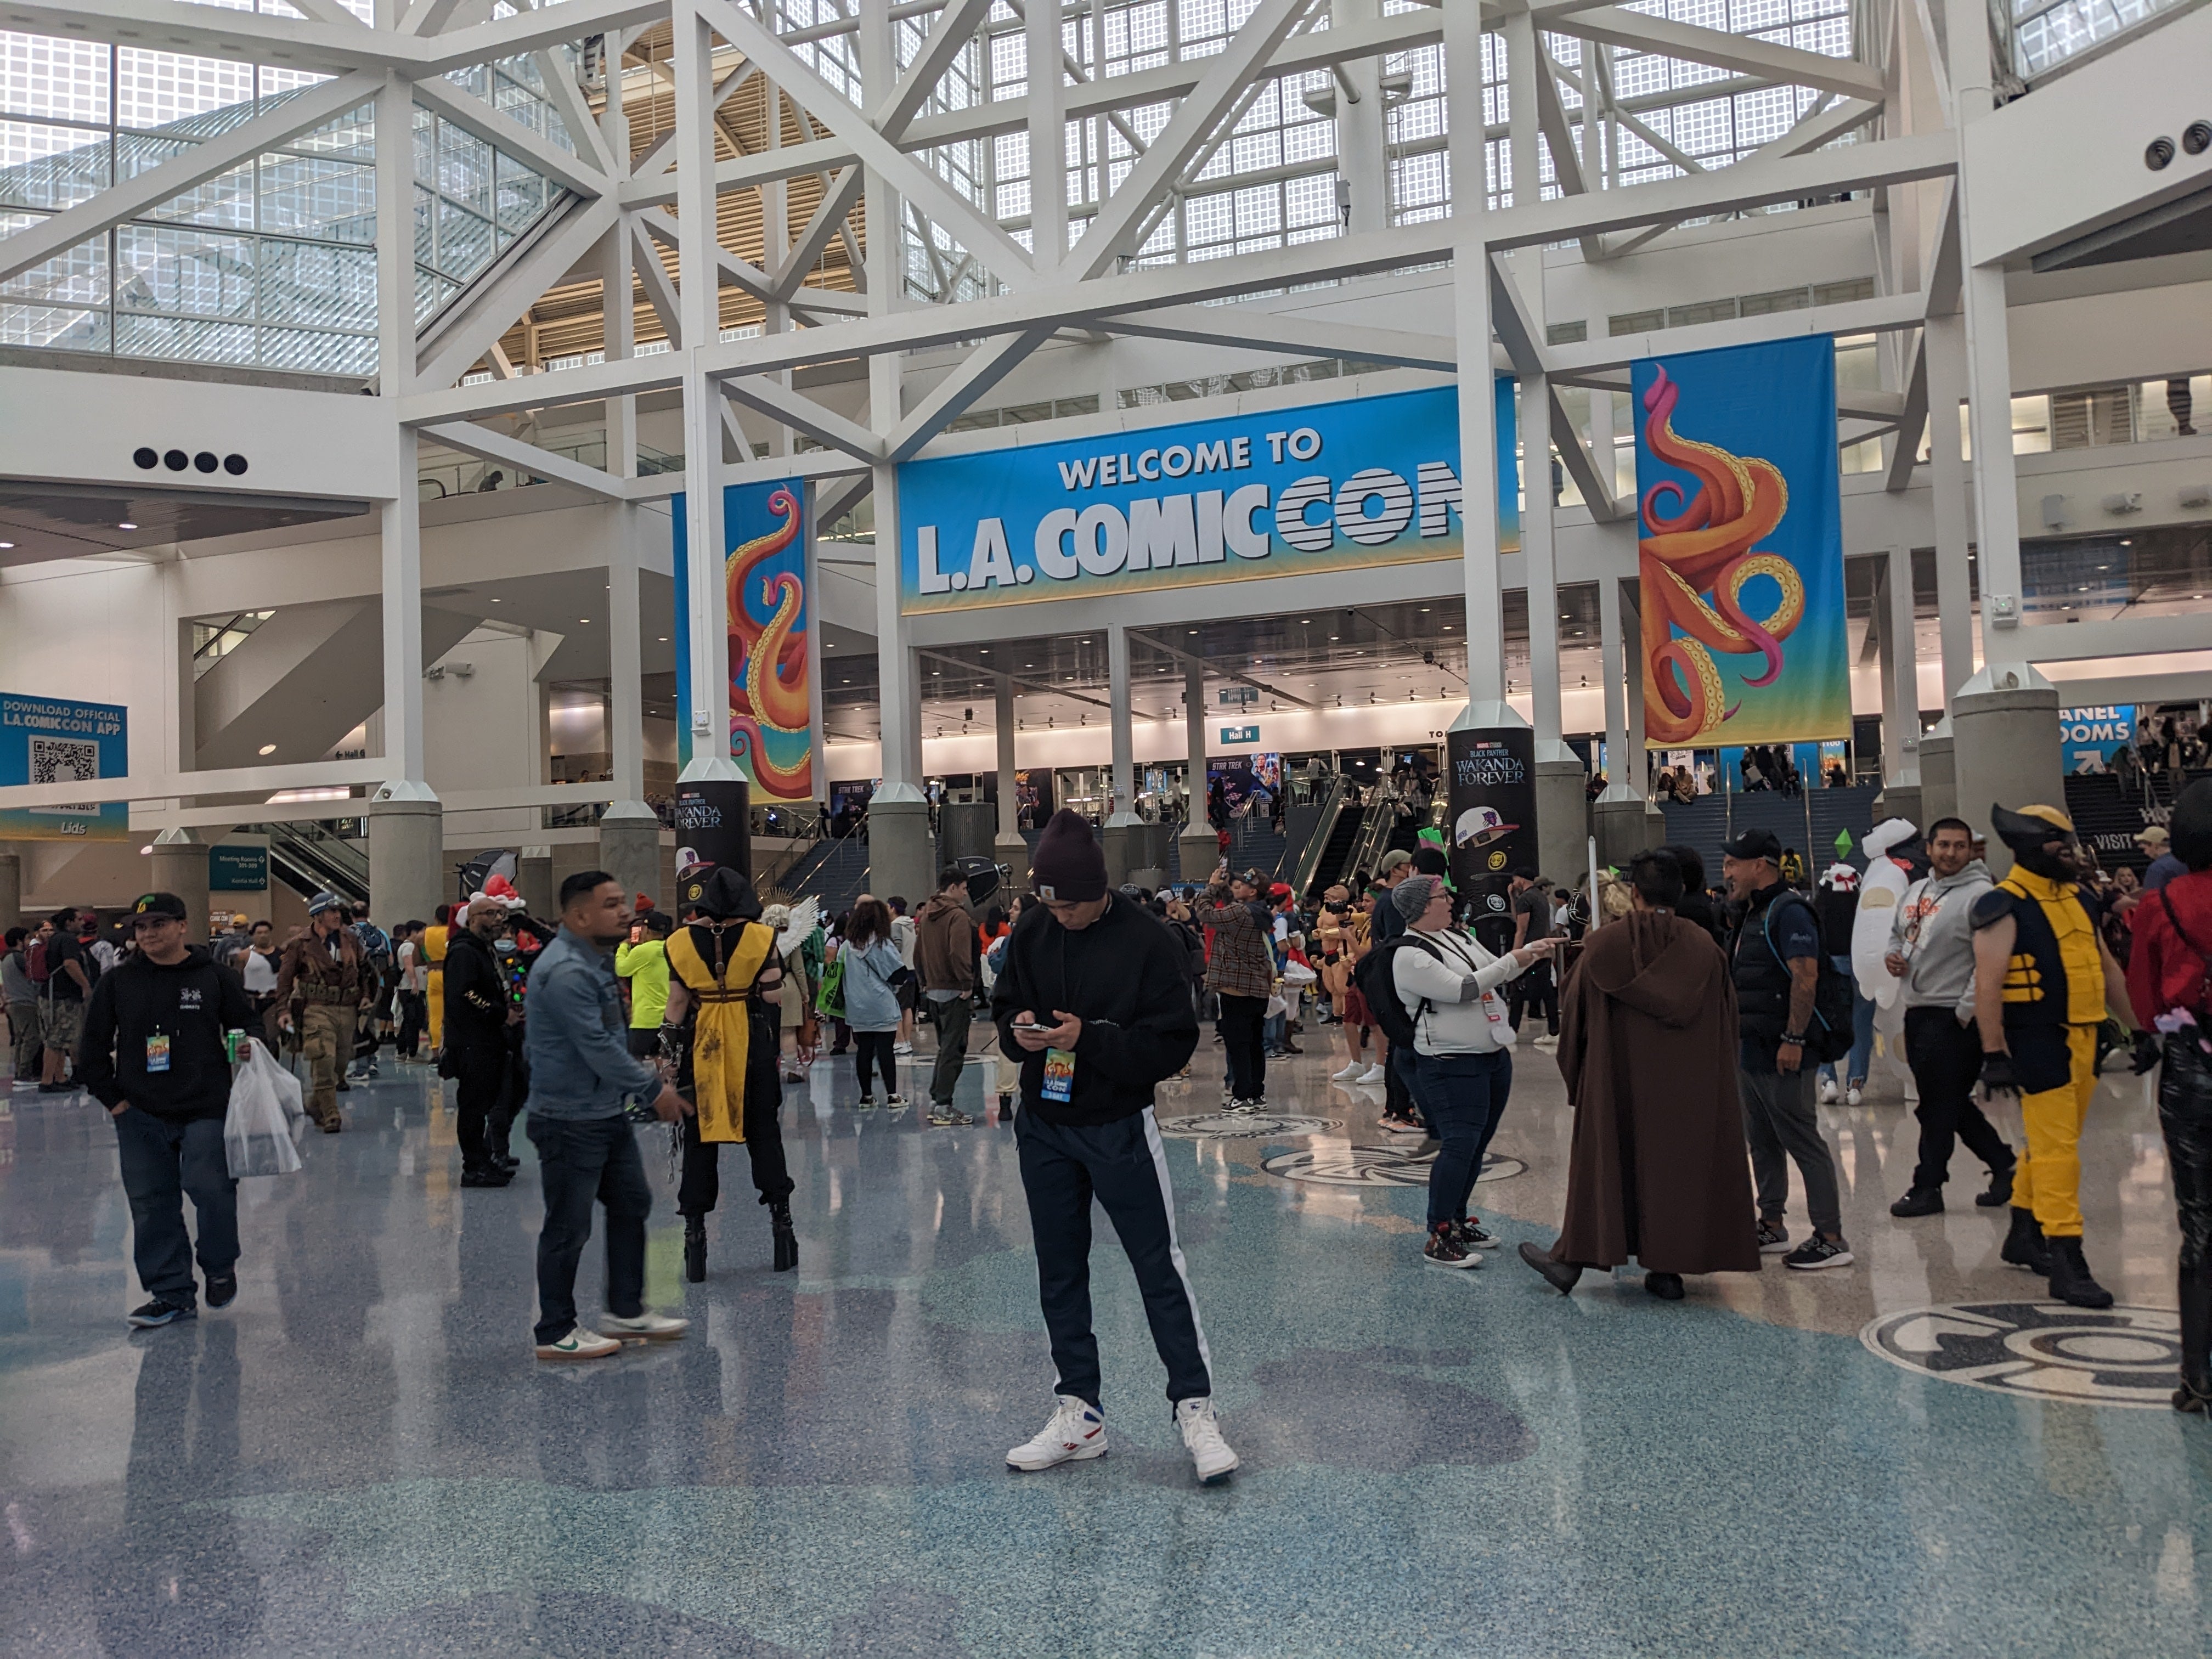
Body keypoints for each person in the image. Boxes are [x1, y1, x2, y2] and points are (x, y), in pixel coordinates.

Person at [991, 810, 1234, 1485]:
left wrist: (1086, 1039)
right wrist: (1023, 1034)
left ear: (1101, 889)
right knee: (1058, 1268)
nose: (1061, 916)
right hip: (1043, 1124)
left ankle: (1195, 1408)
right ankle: (1080, 1412)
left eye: (1072, 904)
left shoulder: (1148, 940)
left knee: (1158, 1266)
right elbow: (1006, 1009)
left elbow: (1171, 1042)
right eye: (1051, 903)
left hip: (1118, 1125)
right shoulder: (1036, 927)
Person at [1518, 849, 1760, 1300]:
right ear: (1683, 891)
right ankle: (1668, 1270)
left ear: (1634, 893)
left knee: (1608, 1161)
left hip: (1618, 1082)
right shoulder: (1705, 950)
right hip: (1689, 1086)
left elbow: (1572, 1019)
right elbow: (1727, 1023)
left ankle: (1572, 1260)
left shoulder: (1602, 947)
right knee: (1674, 1169)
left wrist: (1579, 1076)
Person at [1971, 804, 2141, 1308]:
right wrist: (1994, 1051)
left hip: (2085, 1040)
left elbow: (2106, 968)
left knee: (2049, 1145)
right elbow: (1988, 984)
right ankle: (2068, 1259)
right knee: (2058, 1152)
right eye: (2056, 843)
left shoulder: (2079, 898)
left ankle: (2023, 1233)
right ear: (2027, 847)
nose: (2068, 852)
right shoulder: (2002, 905)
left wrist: (2141, 1030)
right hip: (2037, 1042)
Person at [522, 871, 692, 1360]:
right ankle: (555, 1330)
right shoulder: (567, 972)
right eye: (612, 904)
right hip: (568, 1118)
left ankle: (625, 1308)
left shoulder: (592, 961)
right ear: (578, 915)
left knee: (631, 1202)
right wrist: (651, 1089)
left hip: (601, 1112)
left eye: (623, 903)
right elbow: (594, 1045)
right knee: (568, 1225)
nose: (625, 912)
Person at [76, 892, 256, 1329]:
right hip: (139, 1111)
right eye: (141, 928)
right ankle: (171, 1292)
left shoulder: (214, 976)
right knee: (151, 1203)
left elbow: (248, 1024)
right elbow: (93, 1045)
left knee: (210, 1187)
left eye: (158, 924)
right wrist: (114, 1101)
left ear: (182, 926)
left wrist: (249, 1042)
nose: (148, 934)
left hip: (207, 1106)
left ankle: (218, 1265)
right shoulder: (118, 982)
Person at [1383, 873, 1550, 1267]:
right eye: (1443, 896)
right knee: (1459, 1143)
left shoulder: (1458, 937)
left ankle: (1457, 1220)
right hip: (1450, 1063)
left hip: (1491, 1056)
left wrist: (1527, 956)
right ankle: (1439, 1233)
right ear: (1424, 906)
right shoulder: (1410, 953)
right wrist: (1515, 958)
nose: (1452, 900)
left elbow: (1499, 971)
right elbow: (1463, 988)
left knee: (1476, 1143)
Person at [1720, 828, 1854, 1271]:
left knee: (1801, 1137)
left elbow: (1806, 976)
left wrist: (1794, 1039)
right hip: (1752, 1045)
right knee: (1761, 1138)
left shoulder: (1789, 910)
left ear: (1760, 865)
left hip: (1784, 1047)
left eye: (1733, 863)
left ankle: (1831, 1236)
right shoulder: (1751, 912)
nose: (1727, 871)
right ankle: (1772, 1223)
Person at [663, 865, 797, 1279]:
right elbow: (774, 996)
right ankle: (781, 1229)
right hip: (751, 1049)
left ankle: (695, 1239)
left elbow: (675, 1006)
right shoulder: (762, 938)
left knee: (700, 1142)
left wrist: (667, 1064)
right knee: (764, 1137)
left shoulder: (679, 942)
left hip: (701, 1049)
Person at [2125, 778, 2212, 1412]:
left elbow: (2144, 996)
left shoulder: (2160, 905)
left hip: (2190, 1067)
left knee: (2200, 1227)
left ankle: (2195, 1379)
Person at [1883, 817, 2015, 1217]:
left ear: (1969, 850)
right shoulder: (1916, 891)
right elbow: (1898, 933)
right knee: (1948, 1103)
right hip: (1918, 1012)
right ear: (1929, 849)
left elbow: (1989, 962)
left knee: (1939, 1107)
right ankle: (2005, 1164)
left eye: (1960, 846)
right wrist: (1893, 956)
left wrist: (1965, 1011)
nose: (1951, 853)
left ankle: (1928, 1185)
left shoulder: (1981, 896)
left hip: (1955, 1019)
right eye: (1944, 845)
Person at [274, 891, 373, 1132]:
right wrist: (282, 1010)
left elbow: (365, 971)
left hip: (347, 1008)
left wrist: (367, 996)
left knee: (341, 1062)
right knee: (323, 1058)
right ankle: (331, 1114)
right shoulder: (300, 944)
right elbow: (285, 979)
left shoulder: (351, 940)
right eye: (332, 911)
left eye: (339, 911)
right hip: (316, 1008)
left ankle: (314, 1104)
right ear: (318, 916)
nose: (337, 916)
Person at [441, 895, 518, 1187]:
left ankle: (484, 1160)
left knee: (486, 1101)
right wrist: (498, 1012)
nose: (499, 919)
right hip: (473, 1041)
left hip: (488, 1039)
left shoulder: (485, 950)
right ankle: (473, 1167)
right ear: (473, 919)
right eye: (490, 914)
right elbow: (466, 994)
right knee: (473, 1106)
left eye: (501, 914)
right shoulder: (464, 952)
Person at [1198, 864, 1274, 1111]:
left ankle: (1242, 1096)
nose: (1238, 887)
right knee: (1253, 1043)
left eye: (1244, 885)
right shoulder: (1259, 912)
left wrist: (1211, 886)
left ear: (1253, 892)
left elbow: (1205, 914)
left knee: (1238, 1044)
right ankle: (1256, 1093)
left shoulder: (1242, 914)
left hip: (1236, 988)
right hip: (1256, 988)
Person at [917, 865, 981, 1126]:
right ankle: (944, 1104)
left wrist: (925, 982)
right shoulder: (957, 917)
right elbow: (958, 953)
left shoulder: (926, 916)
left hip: (933, 990)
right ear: (953, 888)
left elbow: (917, 953)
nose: (966, 895)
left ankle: (937, 1100)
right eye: (964, 889)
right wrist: (968, 984)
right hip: (955, 990)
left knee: (945, 1048)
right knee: (954, 1049)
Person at [1813, 862, 1874, 1106]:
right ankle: (1856, 1085)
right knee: (1861, 1028)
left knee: (1826, 1024)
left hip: (1830, 967)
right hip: (1862, 968)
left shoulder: (1822, 902)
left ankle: (1828, 1080)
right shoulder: (1862, 901)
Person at [840, 896, 908, 1109]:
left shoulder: (847, 946)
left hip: (856, 1006)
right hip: (881, 1004)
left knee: (864, 1050)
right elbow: (898, 975)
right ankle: (893, 1095)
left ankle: (866, 1097)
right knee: (885, 1050)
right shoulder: (880, 943)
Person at [39, 907, 94, 1093]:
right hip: (62, 997)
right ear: (69, 922)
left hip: (51, 994)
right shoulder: (69, 940)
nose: (83, 922)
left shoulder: (55, 939)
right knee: (56, 1040)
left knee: (61, 1039)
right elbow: (70, 964)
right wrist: (85, 986)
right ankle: (47, 1081)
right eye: (79, 919)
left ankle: (60, 1077)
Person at [1507, 867, 1560, 1048]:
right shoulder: (1540, 897)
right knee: (1545, 991)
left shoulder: (1526, 898)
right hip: (1543, 950)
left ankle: (1511, 1030)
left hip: (1530, 951)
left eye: (1515, 880)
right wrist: (1512, 897)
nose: (1513, 884)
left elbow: (1521, 929)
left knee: (1517, 989)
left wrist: (1514, 954)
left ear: (1521, 880)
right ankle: (1554, 1030)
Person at [616, 909, 674, 1060]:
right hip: (669, 1017)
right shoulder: (672, 948)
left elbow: (621, 969)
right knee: (663, 1060)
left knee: (634, 1060)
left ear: (646, 929)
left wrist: (624, 947)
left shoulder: (642, 951)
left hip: (645, 1019)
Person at [347, 902, 392, 1081]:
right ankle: (373, 1062)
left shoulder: (348, 934)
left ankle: (361, 1068)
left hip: (357, 987)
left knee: (357, 1026)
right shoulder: (381, 933)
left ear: (351, 915)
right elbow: (389, 961)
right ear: (369, 913)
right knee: (370, 1023)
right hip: (377, 985)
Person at [4, 927, 40, 1085]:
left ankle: (20, 1071)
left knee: (20, 1039)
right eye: (27, 939)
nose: (29, 942)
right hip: (25, 1003)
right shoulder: (19, 958)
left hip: (13, 1003)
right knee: (32, 1038)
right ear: (19, 941)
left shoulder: (6, 959)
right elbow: (35, 975)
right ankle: (24, 1073)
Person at [420, 903, 453, 1060]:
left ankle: (435, 1052)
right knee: (453, 1013)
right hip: (451, 974)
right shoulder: (452, 933)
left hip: (433, 974)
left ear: (435, 918)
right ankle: (451, 1049)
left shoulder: (425, 934)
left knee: (435, 1015)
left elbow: (415, 959)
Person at [888, 896, 918, 1056]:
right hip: (912, 969)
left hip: (900, 971)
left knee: (897, 1008)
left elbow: (896, 947)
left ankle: (899, 1042)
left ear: (893, 908)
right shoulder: (911, 925)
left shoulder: (895, 926)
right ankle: (906, 1041)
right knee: (907, 1008)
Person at [393, 921, 427, 1060]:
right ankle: (412, 1053)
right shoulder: (409, 947)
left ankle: (402, 1051)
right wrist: (415, 983)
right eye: (423, 931)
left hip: (410, 988)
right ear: (414, 932)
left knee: (409, 1020)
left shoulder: (409, 946)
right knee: (414, 1020)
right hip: (410, 989)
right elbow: (409, 965)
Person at [2141, 825, 2187, 893]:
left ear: (2154, 845)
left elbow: (2151, 900)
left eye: (2145, 848)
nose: (2145, 853)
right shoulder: (2185, 861)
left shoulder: (2157, 868)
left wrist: (2131, 903)